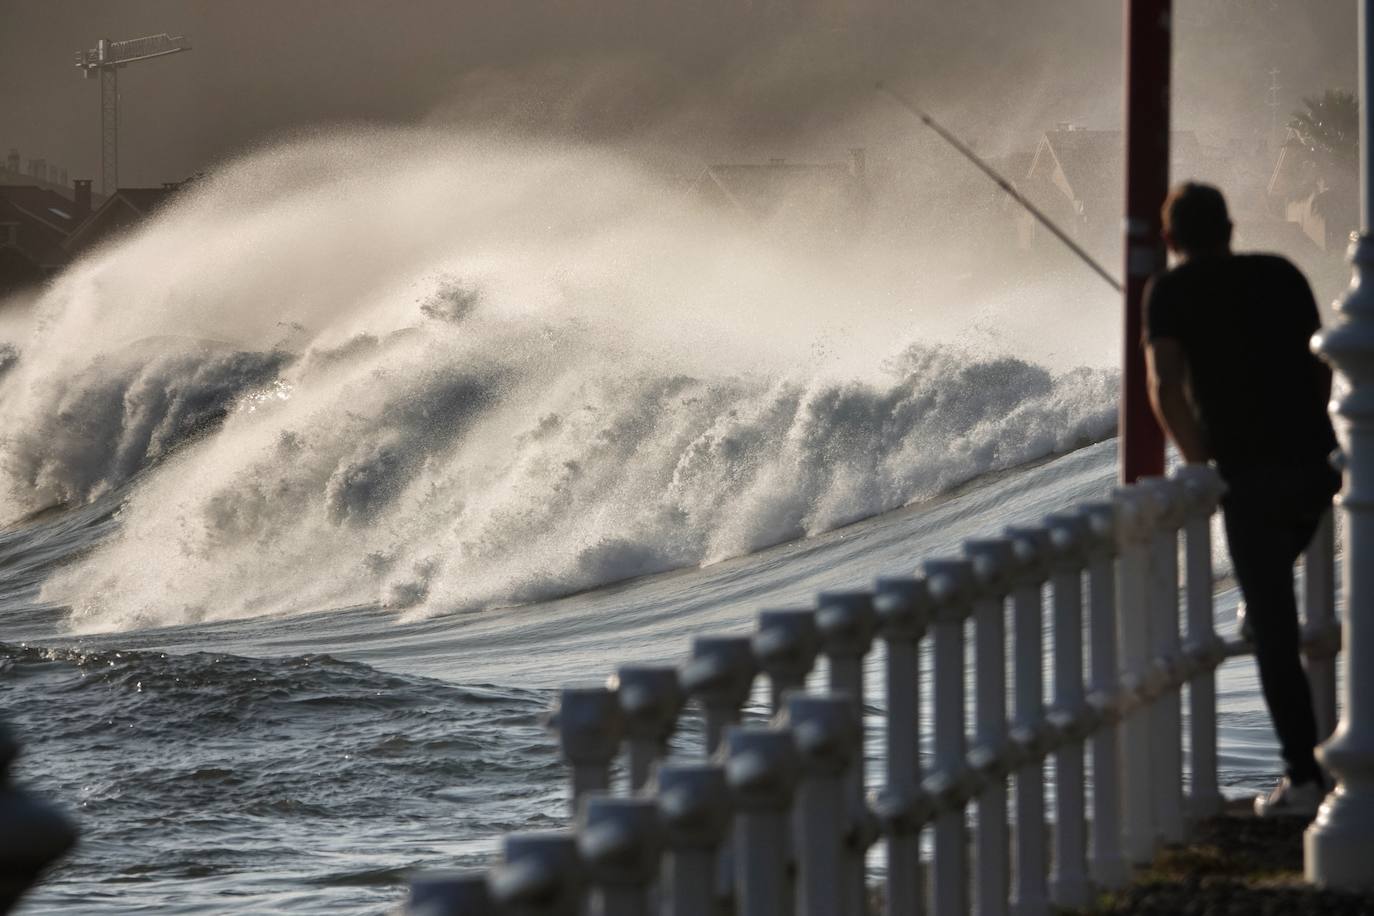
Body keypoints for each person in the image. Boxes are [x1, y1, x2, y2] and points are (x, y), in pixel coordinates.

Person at [1143, 182, 1340, 818]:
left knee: (1275, 634)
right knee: (1276, 603)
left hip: (1249, 477)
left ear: (1170, 239)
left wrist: (1200, 466)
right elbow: (1321, 366)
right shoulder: (1282, 272)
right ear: (1229, 228)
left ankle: (1304, 779)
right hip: (1317, 466)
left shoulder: (1168, 292)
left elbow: (1165, 387)